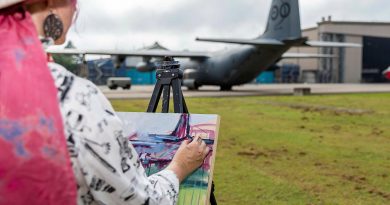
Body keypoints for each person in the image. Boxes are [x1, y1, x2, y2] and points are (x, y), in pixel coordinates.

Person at [0, 0, 210, 205]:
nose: (76, 10)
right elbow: (138, 200)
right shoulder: (75, 97)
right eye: (73, 1)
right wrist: (179, 167)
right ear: (51, 4)